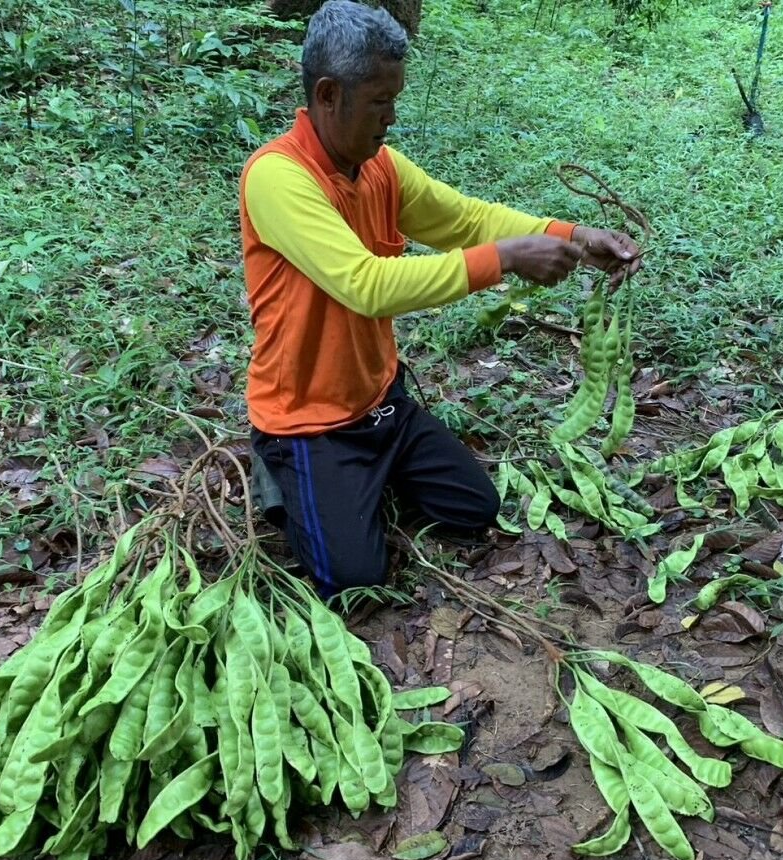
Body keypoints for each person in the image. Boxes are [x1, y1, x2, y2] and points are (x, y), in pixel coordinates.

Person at [241, 0, 641, 596]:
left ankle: (363, 479)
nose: (391, 117)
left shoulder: (379, 166)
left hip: (381, 404)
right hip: (307, 421)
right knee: (354, 581)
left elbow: (465, 219)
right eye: (379, 102)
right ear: (328, 95)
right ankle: (283, 476)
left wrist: (575, 236)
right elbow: (366, 285)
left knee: (473, 509)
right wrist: (505, 261)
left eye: (393, 99)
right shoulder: (277, 178)